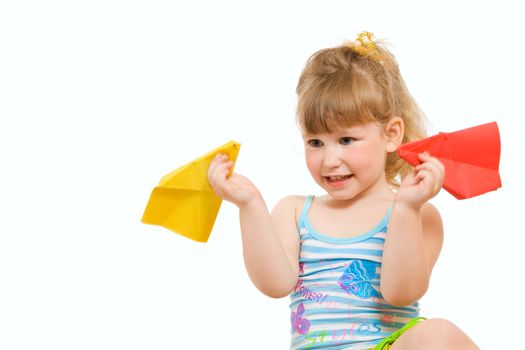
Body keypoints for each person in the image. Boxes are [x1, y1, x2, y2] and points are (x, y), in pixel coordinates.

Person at [208, 32, 479, 349]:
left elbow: (401, 292)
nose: (329, 160)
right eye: (315, 143)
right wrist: (249, 205)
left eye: (346, 140)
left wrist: (406, 209)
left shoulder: (421, 216)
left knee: (439, 334)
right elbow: (275, 284)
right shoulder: (295, 211)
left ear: (391, 135)